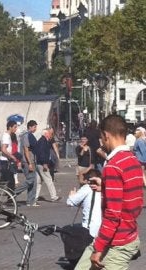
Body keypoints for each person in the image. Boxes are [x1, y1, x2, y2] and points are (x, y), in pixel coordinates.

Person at [75, 114, 143, 270]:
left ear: (106, 135)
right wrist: (105, 186)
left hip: (117, 241)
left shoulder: (113, 166)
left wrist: (98, 248)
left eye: (101, 137)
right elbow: (134, 197)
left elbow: (113, 214)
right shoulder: (132, 159)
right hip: (126, 233)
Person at [66, 169, 102, 238]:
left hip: (90, 227)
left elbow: (70, 202)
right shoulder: (106, 188)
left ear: (88, 180)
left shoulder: (87, 188)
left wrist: (71, 195)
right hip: (105, 226)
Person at [35, 129, 61, 202]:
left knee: (38, 182)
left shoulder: (41, 140)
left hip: (39, 163)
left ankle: (35, 196)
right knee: (49, 180)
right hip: (42, 164)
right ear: (46, 134)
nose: (50, 135)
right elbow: (42, 153)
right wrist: (44, 163)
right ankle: (54, 196)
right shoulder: (43, 141)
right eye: (49, 134)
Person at [17, 120, 39, 206]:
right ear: (30, 127)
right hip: (28, 161)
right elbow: (26, 150)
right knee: (31, 180)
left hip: (31, 160)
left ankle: (31, 201)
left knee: (33, 181)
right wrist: (29, 163)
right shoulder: (26, 135)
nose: (35, 128)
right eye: (34, 127)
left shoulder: (29, 135)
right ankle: (14, 192)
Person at [0, 120, 18, 191]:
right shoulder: (6, 136)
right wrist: (12, 156)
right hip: (5, 161)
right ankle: (10, 198)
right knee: (10, 180)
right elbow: (3, 149)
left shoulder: (7, 135)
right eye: (15, 127)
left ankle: (9, 197)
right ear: (10, 127)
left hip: (6, 160)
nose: (16, 129)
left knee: (5, 180)